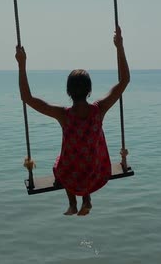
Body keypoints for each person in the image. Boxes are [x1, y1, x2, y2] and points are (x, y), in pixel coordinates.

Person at [15, 25, 130, 216]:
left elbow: (28, 98)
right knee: (84, 161)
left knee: (60, 166)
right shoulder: (99, 110)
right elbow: (124, 80)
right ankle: (87, 199)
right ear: (89, 91)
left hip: (72, 177)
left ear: (68, 92)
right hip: (96, 174)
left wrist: (21, 64)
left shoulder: (64, 115)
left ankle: (72, 203)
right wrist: (120, 47)